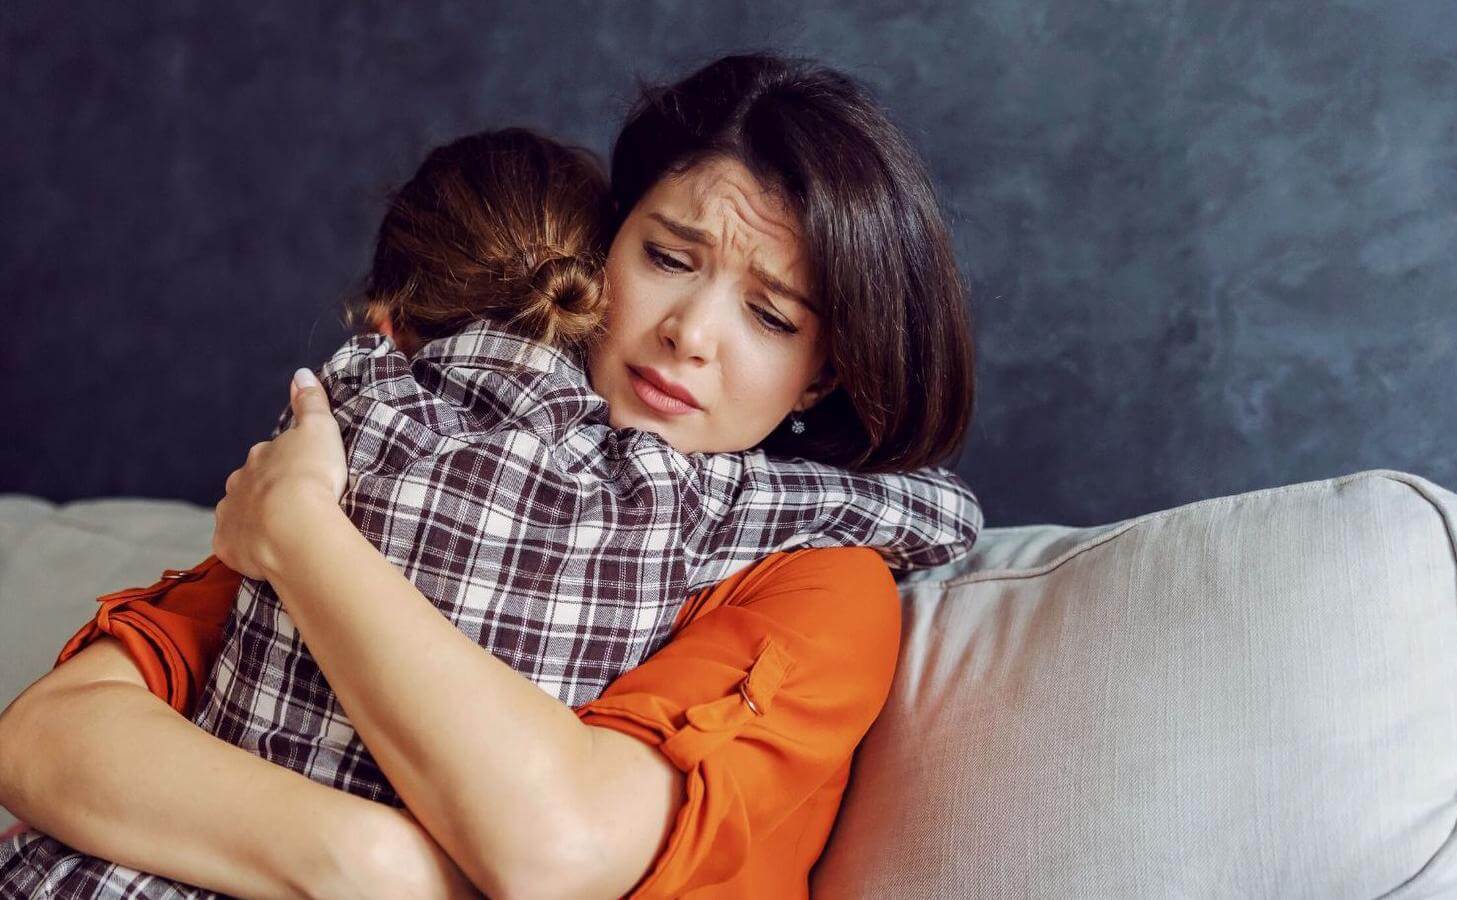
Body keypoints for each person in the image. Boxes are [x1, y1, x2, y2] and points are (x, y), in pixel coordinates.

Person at [0, 51, 976, 898]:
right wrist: (375, 864)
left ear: (826, 370)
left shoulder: (817, 581)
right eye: (669, 257)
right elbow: (50, 739)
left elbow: (555, 850)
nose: (690, 334)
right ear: (605, 247)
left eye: (771, 317)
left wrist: (301, 533)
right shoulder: (409, 446)